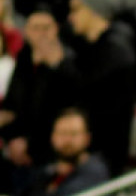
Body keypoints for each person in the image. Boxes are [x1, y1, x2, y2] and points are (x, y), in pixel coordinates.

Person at [68, 0, 136, 175]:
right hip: (90, 147)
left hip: (104, 153)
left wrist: (59, 64)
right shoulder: (88, 47)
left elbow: (87, 91)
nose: (70, 17)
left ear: (93, 10)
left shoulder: (116, 49)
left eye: (76, 9)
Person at [0, 9, 82, 168]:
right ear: (26, 32)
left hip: (49, 149)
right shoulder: (24, 59)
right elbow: (13, 104)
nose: (41, 34)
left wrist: (28, 143)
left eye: (46, 28)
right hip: (16, 143)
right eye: (35, 28)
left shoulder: (69, 61)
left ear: (56, 29)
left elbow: (65, 108)